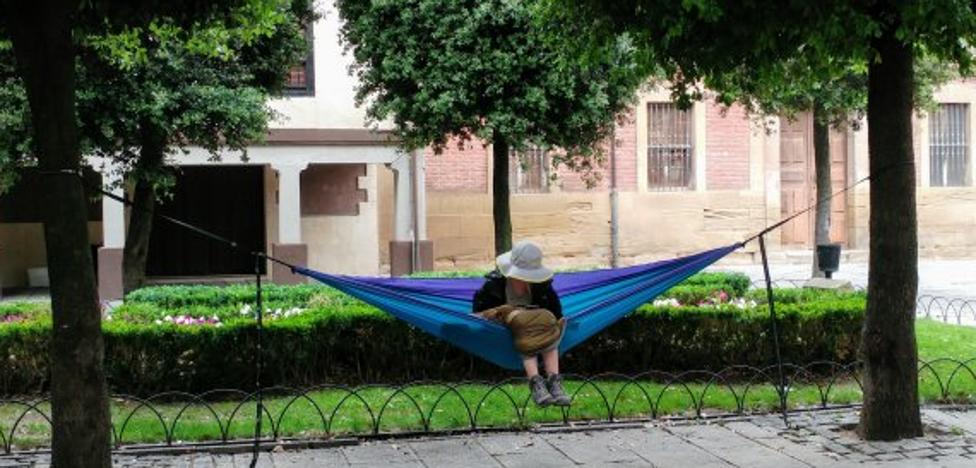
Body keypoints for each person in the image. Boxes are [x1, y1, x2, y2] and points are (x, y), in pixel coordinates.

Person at [473, 241, 570, 406]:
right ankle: (536, 383)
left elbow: (555, 313)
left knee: (547, 325)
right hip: (507, 327)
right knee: (527, 325)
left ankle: (553, 383)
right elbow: (478, 312)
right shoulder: (494, 286)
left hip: (537, 330)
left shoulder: (542, 286)